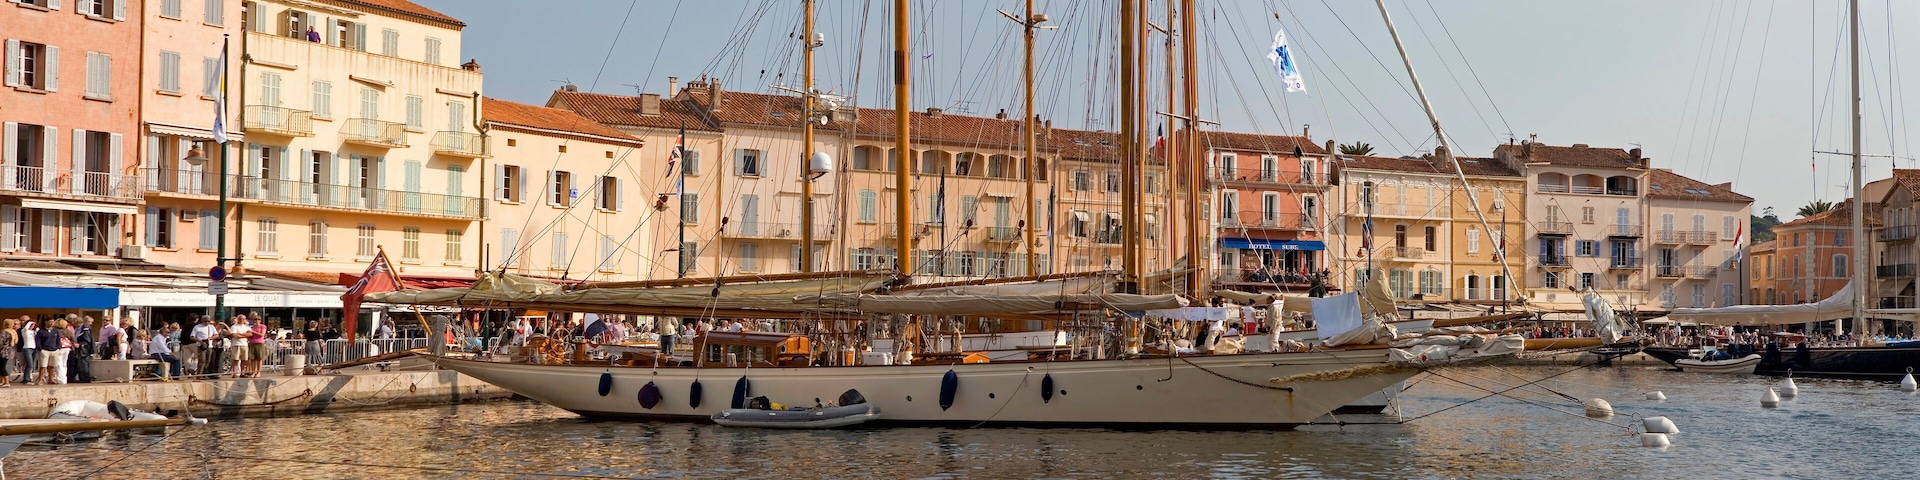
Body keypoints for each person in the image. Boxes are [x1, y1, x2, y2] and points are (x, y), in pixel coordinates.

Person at [34, 319, 61, 385]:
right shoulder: (41, 331)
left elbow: (58, 340)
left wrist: (58, 347)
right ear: (46, 322)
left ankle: (51, 379)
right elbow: (38, 341)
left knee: (52, 365)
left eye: (52, 322)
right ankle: (40, 379)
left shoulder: (56, 331)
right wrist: (40, 349)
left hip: (54, 350)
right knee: (43, 365)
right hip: (45, 350)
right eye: (50, 321)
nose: (51, 323)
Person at [16, 316, 34, 384]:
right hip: (21, 349)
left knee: (29, 364)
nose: (22, 322)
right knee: (24, 364)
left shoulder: (33, 331)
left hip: (32, 348)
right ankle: (26, 378)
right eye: (21, 320)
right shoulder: (21, 330)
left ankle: (29, 378)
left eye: (24, 320)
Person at [0, 319, 14, 387]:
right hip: (10, 351)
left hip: (3, 351)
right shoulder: (13, 332)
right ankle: (3, 381)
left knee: (2, 367)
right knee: (3, 366)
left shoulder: (4, 332)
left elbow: (1, 342)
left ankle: (7, 382)